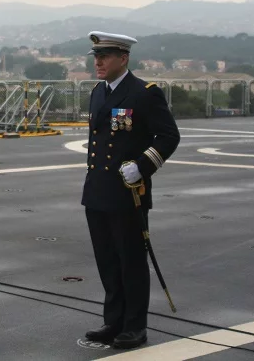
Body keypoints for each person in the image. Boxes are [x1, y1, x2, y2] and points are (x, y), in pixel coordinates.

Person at [82, 31, 180, 349]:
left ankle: (135, 326)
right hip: (98, 190)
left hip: (127, 193)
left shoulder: (143, 93)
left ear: (123, 58)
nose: (98, 62)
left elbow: (168, 136)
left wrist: (143, 164)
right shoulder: (99, 92)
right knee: (107, 260)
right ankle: (114, 320)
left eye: (105, 56)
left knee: (131, 261)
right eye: (95, 57)